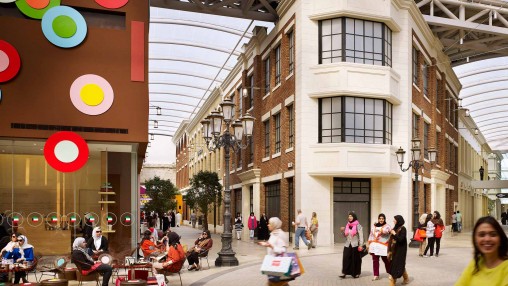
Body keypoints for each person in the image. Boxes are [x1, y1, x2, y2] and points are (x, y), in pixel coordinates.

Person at [455, 216, 508, 286]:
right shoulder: (476, 262)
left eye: (493, 234)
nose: (487, 239)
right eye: (482, 235)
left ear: (500, 238)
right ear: (475, 239)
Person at [258, 217, 290, 286]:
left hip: (278, 265)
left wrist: (271, 246)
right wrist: (267, 244)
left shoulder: (280, 234)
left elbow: (283, 250)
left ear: (274, 225)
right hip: (273, 265)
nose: (268, 225)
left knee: (277, 283)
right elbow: (273, 244)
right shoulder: (273, 233)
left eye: (269, 223)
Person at [339, 212, 364, 279]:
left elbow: (361, 236)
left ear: (354, 217)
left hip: (355, 244)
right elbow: (345, 235)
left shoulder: (358, 225)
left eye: (351, 216)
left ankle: (356, 273)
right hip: (347, 244)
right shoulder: (347, 225)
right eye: (349, 216)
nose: (349, 217)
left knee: (355, 260)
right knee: (346, 258)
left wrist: (361, 245)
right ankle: (344, 272)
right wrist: (342, 231)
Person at [367, 213, 391, 281]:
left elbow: (387, 231)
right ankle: (376, 275)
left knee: (386, 260)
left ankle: (390, 273)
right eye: (380, 219)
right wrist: (369, 244)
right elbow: (371, 235)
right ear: (378, 219)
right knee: (375, 260)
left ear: (384, 219)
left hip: (383, 246)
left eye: (382, 219)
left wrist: (379, 229)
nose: (381, 220)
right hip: (374, 246)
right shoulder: (374, 226)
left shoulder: (387, 226)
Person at [388, 215, 409, 286]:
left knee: (395, 265)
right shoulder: (395, 228)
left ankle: (392, 282)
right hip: (394, 249)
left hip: (401, 250)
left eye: (395, 220)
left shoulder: (403, 229)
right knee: (398, 264)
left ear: (398, 220)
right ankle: (406, 278)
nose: (393, 221)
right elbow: (392, 238)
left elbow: (401, 239)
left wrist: (394, 234)